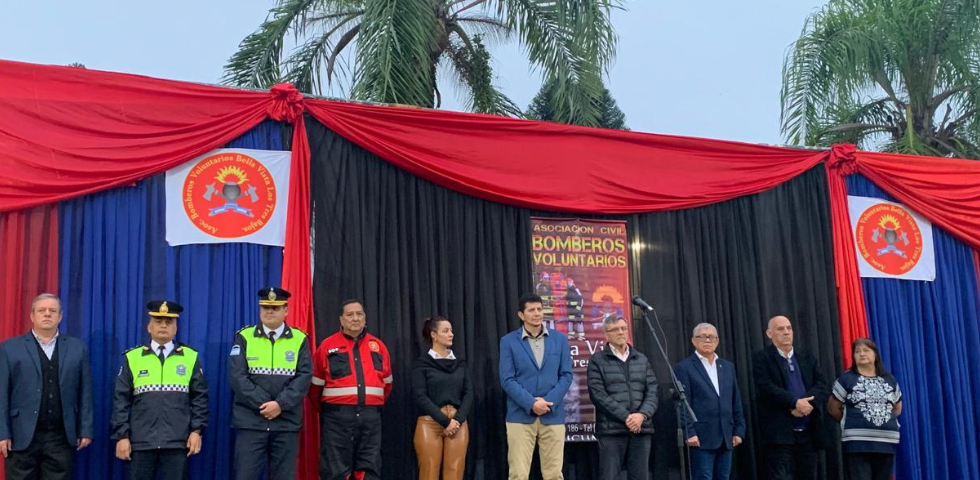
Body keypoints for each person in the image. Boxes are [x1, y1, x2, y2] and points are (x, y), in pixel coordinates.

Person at [111, 300, 208, 480]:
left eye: (169, 322)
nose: (163, 325)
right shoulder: (133, 358)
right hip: (140, 443)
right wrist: (121, 436)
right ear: (149, 327)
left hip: (177, 443)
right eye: (158, 321)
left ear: (176, 328)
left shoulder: (190, 357)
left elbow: (200, 399)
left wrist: (196, 431)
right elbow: (120, 401)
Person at [0, 293, 93, 480]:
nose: (47, 314)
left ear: (60, 316)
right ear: (32, 316)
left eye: (53, 311)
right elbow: (2, 393)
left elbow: (85, 392)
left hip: (60, 437)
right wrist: (3, 432)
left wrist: (85, 429)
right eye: (42, 310)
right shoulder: (10, 348)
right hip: (21, 437)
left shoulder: (77, 348)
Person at [229, 287, 312, 480]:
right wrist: (265, 405)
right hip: (251, 423)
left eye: (275, 307)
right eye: (265, 307)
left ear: (286, 310)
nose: (269, 311)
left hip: (286, 424)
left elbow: (304, 376)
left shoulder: (300, 339)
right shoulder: (244, 337)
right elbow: (237, 377)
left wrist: (280, 405)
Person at [312, 299, 392, 480]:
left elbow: (387, 385)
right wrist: (333, 410)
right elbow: (314, 388)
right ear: (341, 319)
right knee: (336, 469)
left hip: (371, 418)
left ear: (365, 318)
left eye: (359, 314)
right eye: (350, 315)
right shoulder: (326, 346)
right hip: (337, 419)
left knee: (369, 468)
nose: (355, 318)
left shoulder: (379, 347)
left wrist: (370, 404)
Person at [499, 293, 573, 480]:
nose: (537, 313)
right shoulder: (508, 341)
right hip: (520, 415)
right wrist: (531, 403)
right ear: (521, 315)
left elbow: (566, 375)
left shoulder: (560, 339)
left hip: (552, 414)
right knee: (518, 474)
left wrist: (548, 402)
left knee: (554, 474)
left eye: (539, 309)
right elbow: (507, 379)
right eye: (531, 310)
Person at [752, 315, 830, 480]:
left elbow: (822, 385)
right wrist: (794, 403)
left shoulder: (807, 357)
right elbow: (766, 387)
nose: (786, 332)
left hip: (808, 432)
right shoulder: (762, 358)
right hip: (779, 434)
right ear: (769, 333)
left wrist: (806, 404)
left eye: (789, 328)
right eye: (780, 329)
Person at [586, 315, 658, 480]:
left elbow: (652, 390)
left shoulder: (641, 359)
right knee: (609, 476)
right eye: (615, 329)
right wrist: (627, 417)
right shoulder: (597, 361)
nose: (621, 332)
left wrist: (641, 415)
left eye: (623, 328)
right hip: (612, 430)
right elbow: (598, 394)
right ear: (606, 335)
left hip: (641, 428)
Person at [675, 323, 745, 480]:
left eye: (711, 336)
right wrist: (690, 432)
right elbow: (683, 404)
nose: (707, 340)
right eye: (702, 336)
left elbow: (735, 399)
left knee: (723, 477)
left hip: (726, 435)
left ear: (717, 340)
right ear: (693, 341)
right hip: (701, 437)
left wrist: (739, 429)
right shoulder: (684, 367)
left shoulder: (727, 367)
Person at [828, 338, 902, 480]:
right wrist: (852, 422)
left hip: (886, 443)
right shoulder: (846, 379)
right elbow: (833, 408)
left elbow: (897, 408)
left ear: (875, 354)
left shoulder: (889, 379)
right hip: (857, 444)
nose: (861, 354)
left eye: (866, 350)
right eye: (857, 351)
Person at [411, 316, 473, 480]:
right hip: (430, 422)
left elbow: (469, 393)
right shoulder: (422, 363)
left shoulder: (460, 363)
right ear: (434, 335)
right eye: (446, 331)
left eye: (451, 330)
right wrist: (445, 421)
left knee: (455, 473)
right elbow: (420, 395)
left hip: (458, 423)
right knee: (428, 473)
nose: (451, 334)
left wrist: (457, 420)